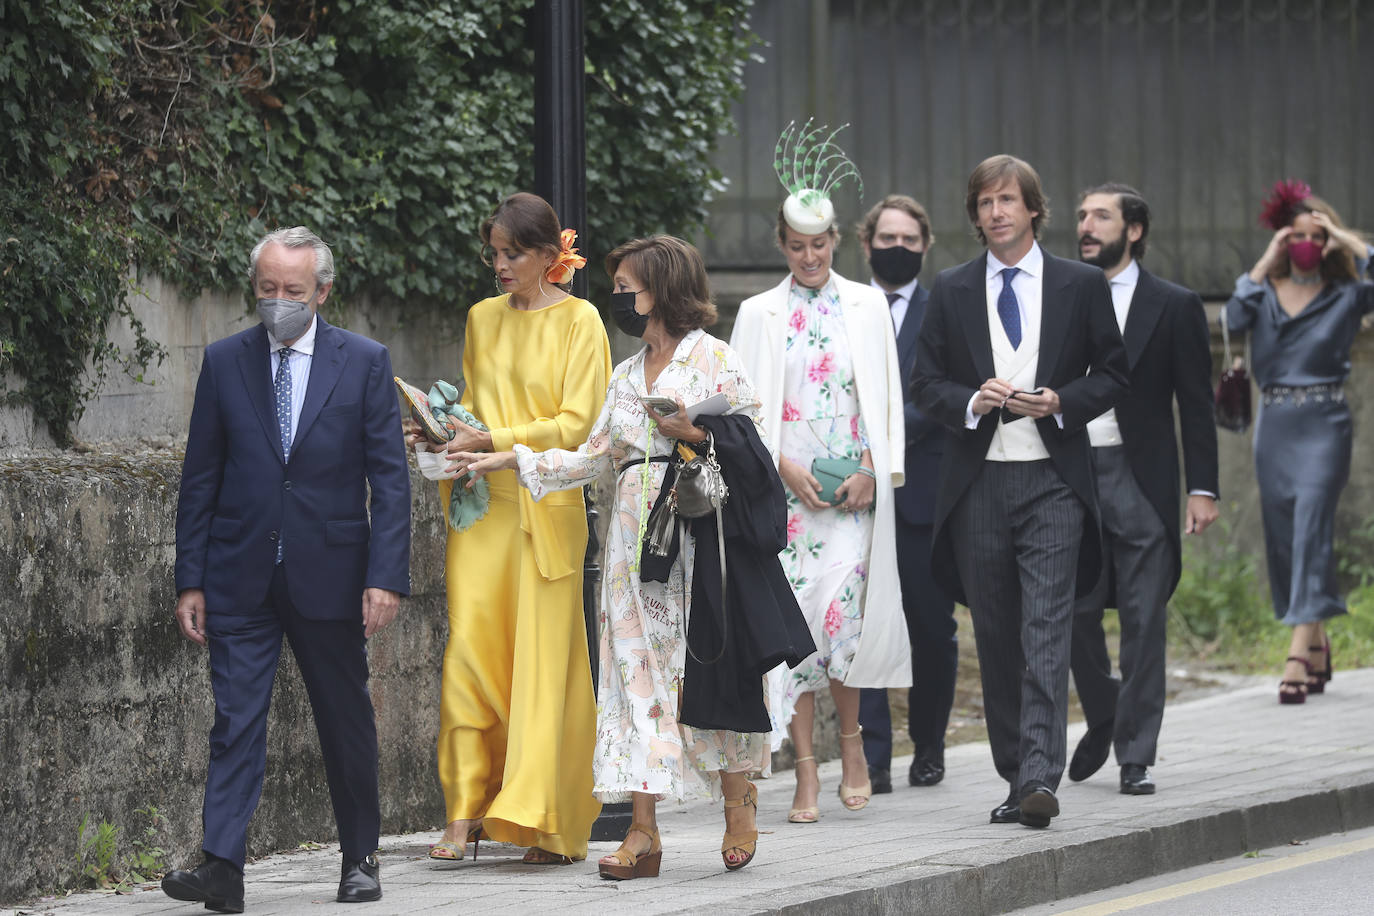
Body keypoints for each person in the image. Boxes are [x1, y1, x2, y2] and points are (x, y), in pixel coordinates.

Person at [450, 235, 810, 878]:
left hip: (703, 540)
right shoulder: (622, 376)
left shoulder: (714, 359)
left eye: (626, 288)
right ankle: (644, 833)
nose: (616, 298)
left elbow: (754, 448)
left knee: (712, 666)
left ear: (663, 291)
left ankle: (738, 801)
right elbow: (593, 456)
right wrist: (508, 456)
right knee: (631, 677)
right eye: (615, 287)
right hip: (631, 547)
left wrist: (696, 432)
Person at [165, 226, 412, 910]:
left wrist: (386, 575)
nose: (279, 302)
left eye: (293, 291)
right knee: (234, 720)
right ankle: (222, 867)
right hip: (238, 574)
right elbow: (201, 477)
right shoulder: (224, 362)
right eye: (267, 289)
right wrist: (191, 578)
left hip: (331, 574)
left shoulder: (362, 362)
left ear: (322, 291)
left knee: (344, 719)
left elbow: (390, 482)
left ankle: (360, 859)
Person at [910, 155, 1128, 829]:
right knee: (998, 633)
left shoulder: (1080, 283)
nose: (996, 212)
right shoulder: (949, 289)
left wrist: (1063, 400)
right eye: (985, 202)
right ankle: (1016, 776)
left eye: (1008, 200)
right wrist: (972, 401)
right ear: (975, 215)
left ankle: (1040, 774)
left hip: (1055, 482)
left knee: (1043, 630)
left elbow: (1115, 373)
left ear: (1034, 209)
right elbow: (925, 384)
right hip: (977, 483)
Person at [406, 192, 610, 865]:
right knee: (470, 654)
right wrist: (441, 431)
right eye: (493, 251)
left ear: (550, 257)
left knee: (542, 664)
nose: (499, 263)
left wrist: (497, 437)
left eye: (512, 253)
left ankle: (544, 823)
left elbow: (578, 425)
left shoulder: (583, 322)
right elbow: (470, 404)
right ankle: (463, 815)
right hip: (479, 509)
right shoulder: (480, 319)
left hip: (544, 509)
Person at [730, 123, 909, 825]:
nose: (810, 256)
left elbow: (888, 399)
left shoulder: (868, 306)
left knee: (843, 623)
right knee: (796, 628)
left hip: (851, 498)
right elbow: (742, 413)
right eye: (798, 246)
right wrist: (780, 466)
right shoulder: (758, 313)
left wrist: (872, 468)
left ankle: (855, 745)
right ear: (782, 245)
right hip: (789, 499)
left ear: (837, 241)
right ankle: (806, 767)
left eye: (821, 244)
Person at [1066, 183, 1220, 796]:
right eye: (1081, 216)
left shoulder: (1174, 304)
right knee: (1072, 611)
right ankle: (1105, 709)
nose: (1086, 225)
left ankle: (1135, 753)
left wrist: (1202, 488)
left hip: (1143, 477)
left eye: (1101, 216)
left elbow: (1198, 404)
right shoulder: (1063, 293)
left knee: (1142, 619)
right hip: (1073, 472)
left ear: (1133, 230)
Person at [1223, 180, 1374, 704]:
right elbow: (1231, 319)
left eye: (1317, 236)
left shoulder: (1347, 295)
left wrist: (1346, 239)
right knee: (1285, 534)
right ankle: (1318, 642)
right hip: (1275, 425)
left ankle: (1294, 652)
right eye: (1298, 236)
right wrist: (1267, 258)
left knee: (1312, 524)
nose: (1307, 244)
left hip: (1325, 424)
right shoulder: (1261, 293)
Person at [852, 195, 957, 793]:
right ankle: (872, 755)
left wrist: (886, 440)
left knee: (929, 626)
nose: (898, 249)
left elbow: (941, 391)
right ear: (865, 244)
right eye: (887, 238)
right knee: (862, 625)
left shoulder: (944, 306)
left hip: (924, 491)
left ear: (925, 246)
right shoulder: (847, 307)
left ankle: (931, 743)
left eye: (909, 240)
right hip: (856, 491)